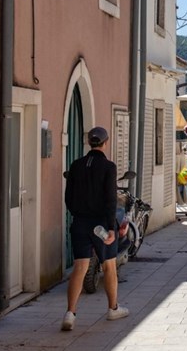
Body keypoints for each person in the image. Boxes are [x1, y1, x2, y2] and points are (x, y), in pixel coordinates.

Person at [62, 127, 129, 331]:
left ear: (89, 143)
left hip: (80, 222)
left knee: (79, 267)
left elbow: (68, 197)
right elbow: (110, 198)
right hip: (100, 224)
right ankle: (113, 308)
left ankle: (70, 313)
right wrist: (111, 227)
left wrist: (78, 213)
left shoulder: (76, 165)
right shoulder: (108, 167)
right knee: (109, 266)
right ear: (105, 143)